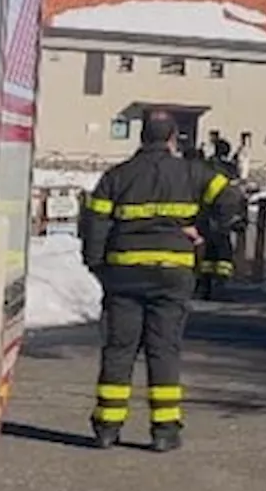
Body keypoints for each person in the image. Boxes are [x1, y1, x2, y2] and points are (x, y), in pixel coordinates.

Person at [78, 110, 243, 452]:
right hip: (172, 275)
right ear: (172, 139)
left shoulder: (116, 176)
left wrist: (98, 265)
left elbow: (94, 223)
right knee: (163, 349)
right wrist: (203, 230)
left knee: (119, 350)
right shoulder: (193, 172)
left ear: (141, 138)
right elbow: (231, 200)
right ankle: (164, 430)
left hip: (123, 276)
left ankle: (107, 427)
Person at [198, 138, 244, 299]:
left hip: (207, 213)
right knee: (223, 254)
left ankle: (205, 286)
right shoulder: (229, 168)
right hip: (224, 213)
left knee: (210, 252)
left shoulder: (207, 166)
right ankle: (219, 287)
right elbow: (235, 193)